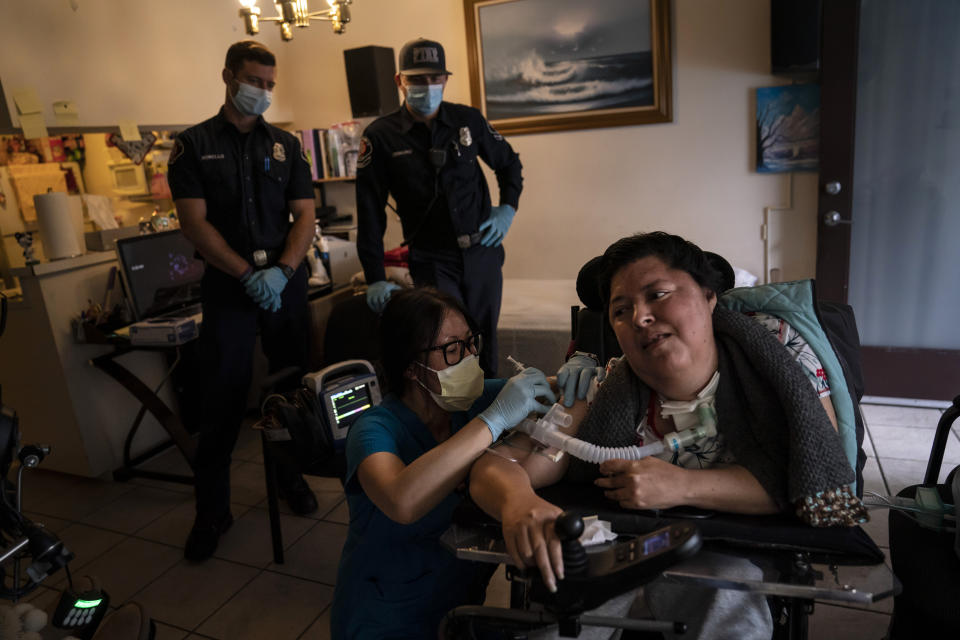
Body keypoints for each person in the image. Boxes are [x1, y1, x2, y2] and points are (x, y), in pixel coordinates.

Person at [469, 232, 867, 639]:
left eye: (658, 294)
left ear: (709, 296)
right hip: (622, 552)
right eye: (620, 310)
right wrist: (517, 502)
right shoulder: (602, 391)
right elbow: (499, 465)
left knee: (724, 595)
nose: (639, 316)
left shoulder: (779, 360)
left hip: (730, 557)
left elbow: (816, 476)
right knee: (563, 611)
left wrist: (683, 486)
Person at [330, 287, 557, 639]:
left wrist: (578, 372)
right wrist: (494, 422)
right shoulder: (373, 429)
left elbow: (549, 392)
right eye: (452, 349)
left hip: (456, 601)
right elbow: (401, 501)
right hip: (387, 614)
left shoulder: (470, 403)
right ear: (410, 366)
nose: (469, 358)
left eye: (470, 343)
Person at [168, 40, 319, 562]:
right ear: (229, 76)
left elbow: (305, 215)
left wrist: (279, 272)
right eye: (255, 81)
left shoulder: (287, 146)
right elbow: (193, 221)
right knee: (223, 400)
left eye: (270, 85)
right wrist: (245, 273)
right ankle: (212, 512)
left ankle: (289, 479)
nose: (263, 92)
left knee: (295, 388)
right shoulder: (192, 145)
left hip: (285, 282)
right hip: (229, 289)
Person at [355, 37, 523, 377]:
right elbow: (369, 212)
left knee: (484, 343)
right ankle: (452, 423)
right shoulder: (380, 135)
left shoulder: (468, 121)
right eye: (417, 79)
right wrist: (374, 277)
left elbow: (509, 164)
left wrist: (507, 208)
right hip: (431, 259)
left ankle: (491, 424)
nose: (427, 86)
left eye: (434, 78)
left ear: (445, 79)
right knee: (445, 343)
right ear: (399, 81)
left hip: (481, 252)